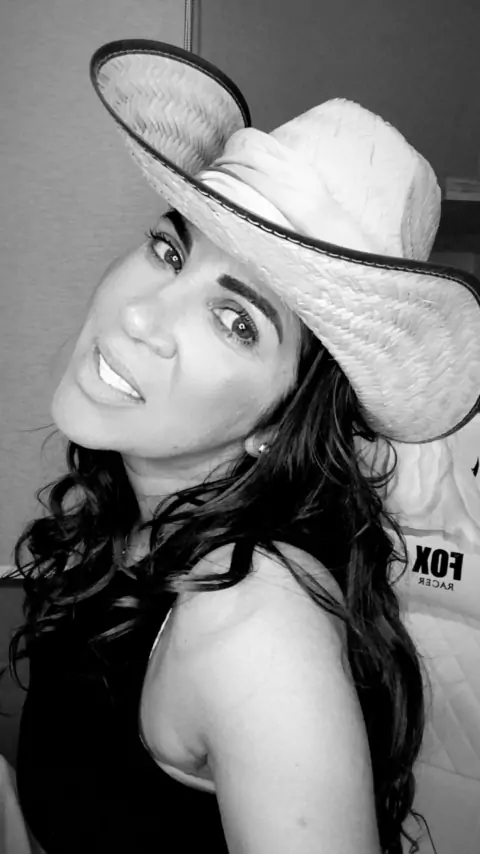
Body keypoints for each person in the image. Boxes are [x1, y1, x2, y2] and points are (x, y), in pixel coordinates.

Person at [7, 38, 480, 854]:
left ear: (279, 422)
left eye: (236, 321)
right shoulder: (148, 519)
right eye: (170, 250)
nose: (140, 315)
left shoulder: (253, 627)